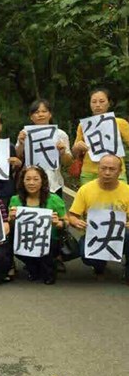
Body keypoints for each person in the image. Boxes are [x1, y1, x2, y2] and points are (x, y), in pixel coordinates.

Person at [68, 154, 129, 283]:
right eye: (103, 168)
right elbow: (72, 215)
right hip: (94, 236)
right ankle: (99, 267)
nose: (107, 173)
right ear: (98, 169)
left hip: (121, 235)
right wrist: (76, 222)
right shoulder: (86, 190)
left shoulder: (127, 191)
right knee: (86, 255)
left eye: (112, 169)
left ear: (120, 171)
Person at [8, 166, 68, 285]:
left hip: (50, 239)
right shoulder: (15, 200)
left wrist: (58, 223)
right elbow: (10, 224)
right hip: (26, 238)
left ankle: (49, 268)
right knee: (11, 239)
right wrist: (11, 218)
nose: (31, 183)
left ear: (43, 181)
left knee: (47, 260)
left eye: (36, 179)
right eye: (28, 179)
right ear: (22, 181)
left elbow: (66, 222)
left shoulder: (54, 199)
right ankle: (32, 266)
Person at [16, 99, 73, 197]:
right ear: (31, 117)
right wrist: (21, 144)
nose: (40, 115)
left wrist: (63, 153)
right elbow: (18, 155)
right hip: (30, 184)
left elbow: (68, 163)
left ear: (50, 114)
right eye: (36, 112)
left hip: (54, 183)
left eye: (44, 111)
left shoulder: (60, 134)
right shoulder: (25, 133)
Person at [72, 88, 129, 185]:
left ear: (109, 103)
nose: (97, 105)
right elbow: (75, 152)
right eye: (94, 102)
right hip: (89, 172)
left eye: (102, 101)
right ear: (90, 104)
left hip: (116, 171)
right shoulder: (83, 125)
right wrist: (77, 147)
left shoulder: (120, 123)